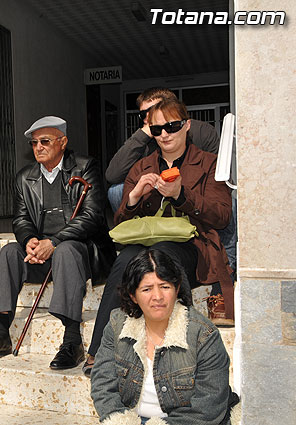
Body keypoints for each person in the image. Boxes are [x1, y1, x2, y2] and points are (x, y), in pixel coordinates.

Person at [84, 98, 233, 377]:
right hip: (144, 245)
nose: (165, 134)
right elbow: (121, 225)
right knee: (126, 260)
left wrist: (180, 195)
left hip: (192, 245)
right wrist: (134, 197)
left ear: (187, 125)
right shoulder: (142, 166)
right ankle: (100, 351)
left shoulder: (208, 163)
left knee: (161, 256)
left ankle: (176, 355)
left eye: (172, 126)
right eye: (157, 130)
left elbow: (222, 215)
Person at [0, 116, 115, 369]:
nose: (38, 147)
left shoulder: (85, 167)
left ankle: (72, 340)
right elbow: (21, 218)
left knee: (66, 250)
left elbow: (92, 216)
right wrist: (29, 241)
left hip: (80, 252)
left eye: (45, 141)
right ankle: (1, 332)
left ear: (63, 142)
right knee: (9, 252)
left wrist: (55, 241)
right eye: (34, 143)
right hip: (42, 253)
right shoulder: (24, 177)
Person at [91, 249, 238, 424]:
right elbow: (102, 385)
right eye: (147, 289)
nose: (158, 297)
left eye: (165, 287)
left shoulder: (203, 334)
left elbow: (208, 407)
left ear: (177, 289)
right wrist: (121, 420)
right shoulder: (117, 325)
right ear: (133, 295)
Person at [105, 88, 219, 213]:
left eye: (153, 110)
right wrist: (142, 135)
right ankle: (134, 229)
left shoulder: (201, 131)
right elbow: (112, 175)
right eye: (143, 115)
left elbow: (216, 176)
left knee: (231, 202)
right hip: (154, 193)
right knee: (116, 191)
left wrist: (177, 190)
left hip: (193, 190)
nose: (148, 118)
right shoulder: (146, 138)